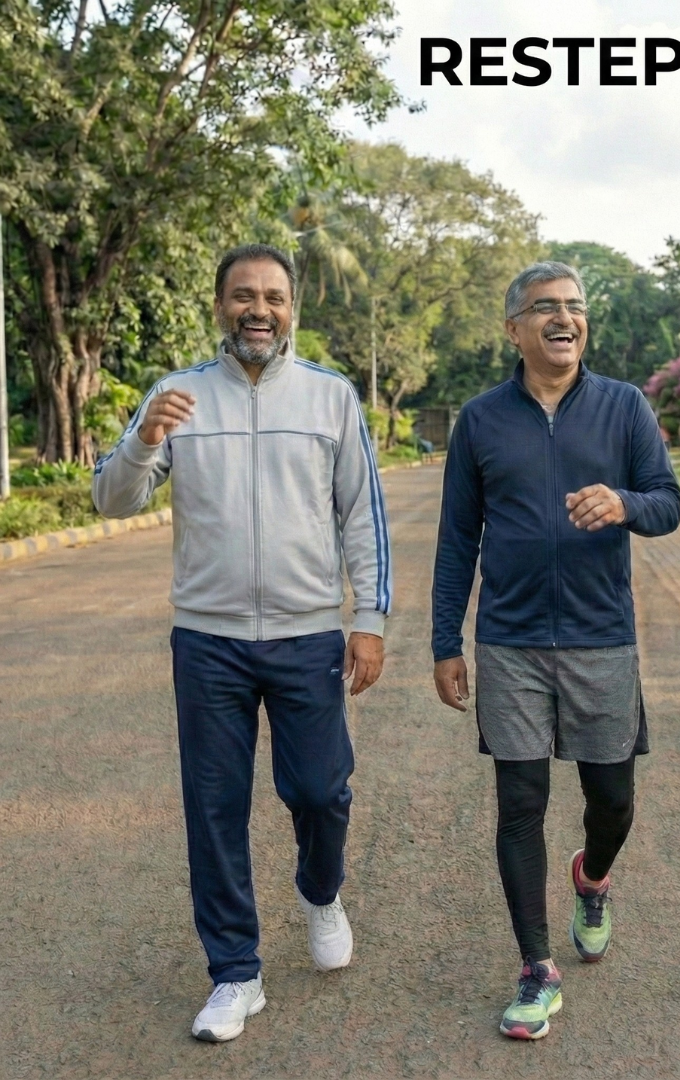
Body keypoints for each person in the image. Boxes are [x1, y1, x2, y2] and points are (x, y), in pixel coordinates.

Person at [93, 244, 391, 1043]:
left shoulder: (331, 396)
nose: (259, 309)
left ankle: (321, 892)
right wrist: (143, 440)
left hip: (306, 634)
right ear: (220, 305)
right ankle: (235, 973)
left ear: (292, 309)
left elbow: (361, 515)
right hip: (209, 641)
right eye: (243, 296)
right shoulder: (176, 394)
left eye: (273, 297)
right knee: (214, 807)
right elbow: (111, 500)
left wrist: (369, 619)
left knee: (321, 791)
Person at [431, 262, 680, 1040]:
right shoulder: (480, 420)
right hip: (509, 642)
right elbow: (456, 538)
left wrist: (624, 503)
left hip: (601, 638)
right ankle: (537, 968)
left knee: (613, 799)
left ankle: (593, 876)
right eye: (546, 307)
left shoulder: (624, 406)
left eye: (574, 306)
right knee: (520, 804)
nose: (564, 318)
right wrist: (445, 640)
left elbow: (669, 504)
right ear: (514, 329)